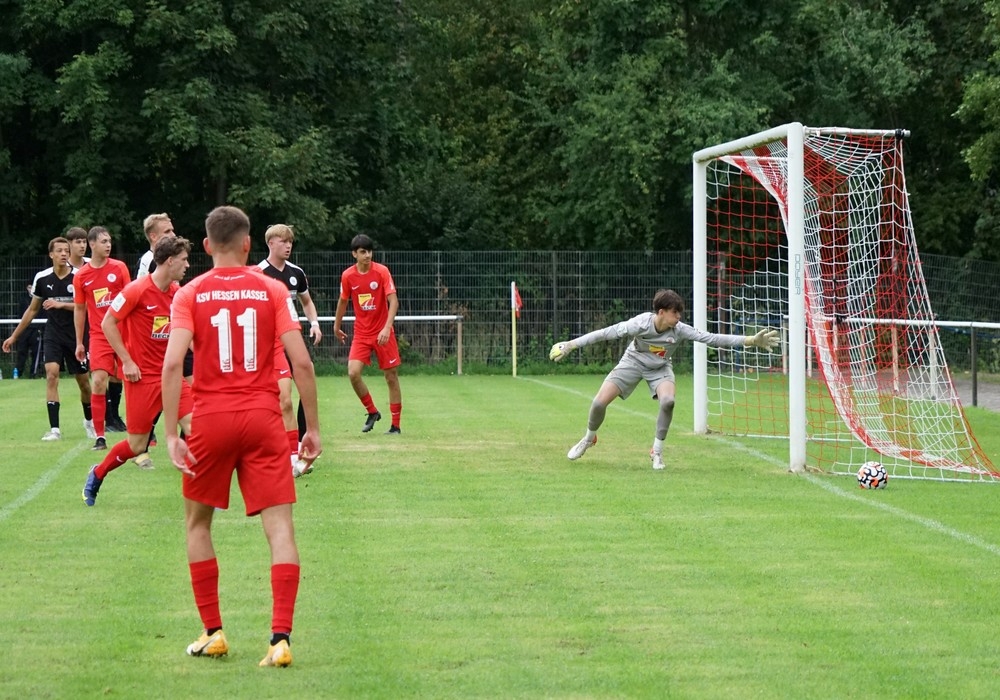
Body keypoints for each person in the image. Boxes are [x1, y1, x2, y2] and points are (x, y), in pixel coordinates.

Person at [162, 205, 321, 668]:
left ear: (206, 245)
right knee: (281, 528)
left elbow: (172, 365)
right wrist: (312, 429)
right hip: (263, 418)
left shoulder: (189, 293)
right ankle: (280, 639)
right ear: (249, 244)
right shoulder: (273, 288)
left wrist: (170, 433)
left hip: (211, 420)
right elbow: (302, 363)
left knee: (197, 525)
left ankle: (213, 632)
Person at [549, 289, 779, 470]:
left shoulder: (680, 329)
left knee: (668, 401)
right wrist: (571, 345)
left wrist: (750, 340)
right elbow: (604, 333)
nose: (679, 317)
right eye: (674, 313)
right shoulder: (640, 324)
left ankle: (657, 451)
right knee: (599, 403)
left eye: (679, 313)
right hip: (632, 361)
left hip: (660, 367)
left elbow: (711, 338)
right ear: (661, 312)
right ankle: (589, 439)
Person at [81, 236, 194, 506]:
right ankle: (98, 473)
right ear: (170, 261)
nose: (187, 265)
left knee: (197, 429)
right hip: (142, 380)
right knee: (136, 445)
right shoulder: (136, 290)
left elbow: (188, 332)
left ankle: (200, 492)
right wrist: (127, 361)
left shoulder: (177, 294)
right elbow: (108, 323)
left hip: (172, 378)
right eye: (184, 260)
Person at [2, 237, 94, 441]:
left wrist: (61, 305)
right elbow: (32, 309)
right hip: (53, 334)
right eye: (59, 251)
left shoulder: (79, 276)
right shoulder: (42, 278)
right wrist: (14, 336)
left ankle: (89, 422)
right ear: (51, 254)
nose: (64, 254)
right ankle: (55, 430)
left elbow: (87, 306)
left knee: (83, 382)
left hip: (76, 335)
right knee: (51, 374)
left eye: (66, 250)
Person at [257, 224, 323, 475]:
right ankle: (279, 448)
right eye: (283, 241)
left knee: (307, 388)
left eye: (290, 242)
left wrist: (314, 324)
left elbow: (306, 301)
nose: (288, 246)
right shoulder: (259, 273)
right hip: (268, 343)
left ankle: (301, 443)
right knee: (281, 399)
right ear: (270, 243)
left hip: (292, 339)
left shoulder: (296, 273)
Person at [333, 233, 403, 434]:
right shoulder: (348, 276)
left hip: (383, 332)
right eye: (363, 252)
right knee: (353, 373)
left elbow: (393, 301)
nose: (368, 255)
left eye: (370, 251)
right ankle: (372, 411)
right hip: (362, 334)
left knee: (391, 376)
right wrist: (336, 326)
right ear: (354, 254)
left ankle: (395, 426)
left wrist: (387, 328)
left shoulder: (381, 272)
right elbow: (343, 301)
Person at [74, 226, 132, 450]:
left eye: (109, 241)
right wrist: (79, 342)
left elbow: (131, 299)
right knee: (98, 381)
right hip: (99, 335)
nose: (108, 245)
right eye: (104, 241)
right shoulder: (82, 276)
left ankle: (144, 431)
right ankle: (100, 436)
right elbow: (80, 309)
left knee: (133, 381)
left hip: (123, 332)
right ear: (92, 244)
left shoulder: (119, 268)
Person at [13, 283, 44, 379]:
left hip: (36, 330)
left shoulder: (40, 300)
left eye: (32, 287)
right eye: (29, 287)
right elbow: (19, 315)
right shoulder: (23, 300)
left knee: (36, 353)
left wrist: (40, 327)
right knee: (21, 351)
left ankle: (34, 374)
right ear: (27, 288)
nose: (31, 289)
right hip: (24, 331)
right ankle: (18, 374)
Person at [136, 213, 174, 279]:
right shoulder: (147, 260)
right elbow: (140, 285)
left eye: (172, 230)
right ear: (153, 236)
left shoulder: (170, 259)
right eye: (167, 231)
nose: (173, 235)